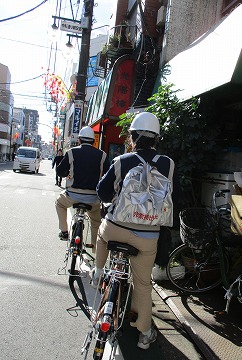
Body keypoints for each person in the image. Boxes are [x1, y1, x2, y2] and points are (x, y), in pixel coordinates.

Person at [91, 112, 177, 350]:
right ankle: (144, 333)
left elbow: (103, 192)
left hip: (115, 229)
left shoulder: (122, 161)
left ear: (133, 136)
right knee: (142, 284)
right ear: (156, 139)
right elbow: (171, 197)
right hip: (147, 237)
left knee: (101, 233)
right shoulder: (168, 164)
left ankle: (98, 272)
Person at [55, 126, 110, 251]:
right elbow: (108, 175)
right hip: (93, 198)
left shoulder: (71, 152)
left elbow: (60, 171)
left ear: (79, 140)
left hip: (72, 196)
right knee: (96, 221)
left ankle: (64, 231)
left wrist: (67, 174)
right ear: (93, 141)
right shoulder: (102, 155)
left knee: (59, 203)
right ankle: (94, 247)